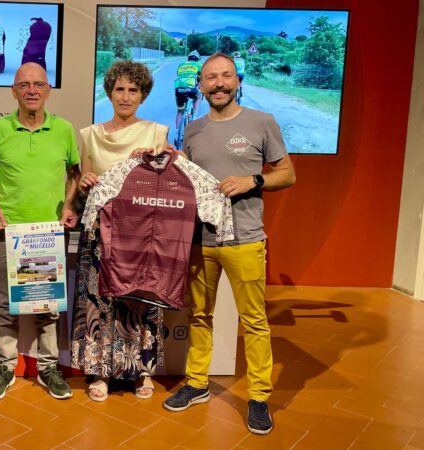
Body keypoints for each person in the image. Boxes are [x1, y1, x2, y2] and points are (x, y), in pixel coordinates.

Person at [162, 53, 296, 435]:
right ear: (201, 85)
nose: (218, 84)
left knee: (253, 321)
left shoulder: (262, 122)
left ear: (237, 81)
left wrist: (253, 180)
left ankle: (258, 397)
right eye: (211, 78)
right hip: (200, 239)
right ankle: (197, 383)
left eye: (225, 76)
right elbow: (188, 179)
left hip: (245, 240)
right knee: (199, 316)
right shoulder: (193, 130)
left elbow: (287, 174)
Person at [0, 62, 80, 401]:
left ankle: (48, 368)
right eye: (24, 85)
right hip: (8, 233)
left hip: (49, 233)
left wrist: (68, 206)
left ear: (48, 90)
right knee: (6, 305)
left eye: (38, 84)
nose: (32, 90)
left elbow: (75, 173)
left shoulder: (64, 129)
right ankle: (4, 368)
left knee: (48, 306)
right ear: (14, 91)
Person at [72, 60, 168, 402]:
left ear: (143, 95)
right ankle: (100, 371)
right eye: (120, 89)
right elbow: (84, 184)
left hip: (143, 233)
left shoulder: (157, 133)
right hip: (100, 229)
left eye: (133, 90)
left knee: (141, 299)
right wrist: (84, 182)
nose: (126, 96)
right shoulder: (89, 135)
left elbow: (170, 178)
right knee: (100, 300)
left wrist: (156, 161)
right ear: (109, 92)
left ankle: (143, 370)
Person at [174, 50, 203, 134]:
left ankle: (177, 134)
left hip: (179, 89)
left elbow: (179, 74)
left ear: (188, 58)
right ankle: (194, 117)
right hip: (191, 88)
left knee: (180, 111)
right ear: (198, 59)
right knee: (198, 96)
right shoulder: (198, 64)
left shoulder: (181, 64)